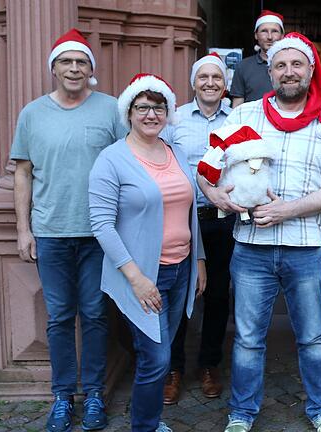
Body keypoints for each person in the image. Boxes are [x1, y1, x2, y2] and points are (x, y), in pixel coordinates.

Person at [199, 33, 321, 432]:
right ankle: (242, 413)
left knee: (314, 337)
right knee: (248, 339)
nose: (289, 72)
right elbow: (206, 169)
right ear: (269, 71)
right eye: (281, 65)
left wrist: (286, 210)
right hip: (250, 248)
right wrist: (216, 196)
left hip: (304, 248)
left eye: (297, 64)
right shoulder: (244, 116)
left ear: (311, 70)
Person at [10, 28, 125, 432]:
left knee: (94, 314)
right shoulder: (32, 113)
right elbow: (23, 173)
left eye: (81, 62)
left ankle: (93, 394)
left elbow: (127, 164)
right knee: (59, 316)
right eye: (66, 62)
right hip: (51, 231)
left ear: (90, 69)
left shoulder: (111, 110)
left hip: (99, 233)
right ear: (54, 68)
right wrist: (24, 230)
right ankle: (62, 396)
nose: (74, 68)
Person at [88, 73, 207, 432]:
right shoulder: (112, 159)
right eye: (143, 107)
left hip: (180, 268)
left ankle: (150, 421)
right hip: (142, 276)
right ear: (129, 112)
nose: (151, 114)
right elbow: (102, 225)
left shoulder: (176, 152)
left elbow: (191, 211)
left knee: (161, 352)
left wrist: (199, 260)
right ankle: (144, 425)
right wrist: (136, 278)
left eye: (159, 107)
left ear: (169, 113)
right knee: (156, 358)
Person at [160, 53, 233, 404]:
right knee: (177, 293)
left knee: (218, 295)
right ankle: (173, 368)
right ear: (193, 82)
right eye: (203, 77)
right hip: (179, 219)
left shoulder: (237, 120)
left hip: (220, 222)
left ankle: (209, 365)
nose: (209, 83)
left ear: (225, 84)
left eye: (216, 77)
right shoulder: (174, 121)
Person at [229, 10, 284, 106]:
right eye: (264, 31)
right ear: (256, 35)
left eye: (274, 31)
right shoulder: (243, 67)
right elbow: (237, 106)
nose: (270, 37)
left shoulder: (291, 66)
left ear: (282, 35)